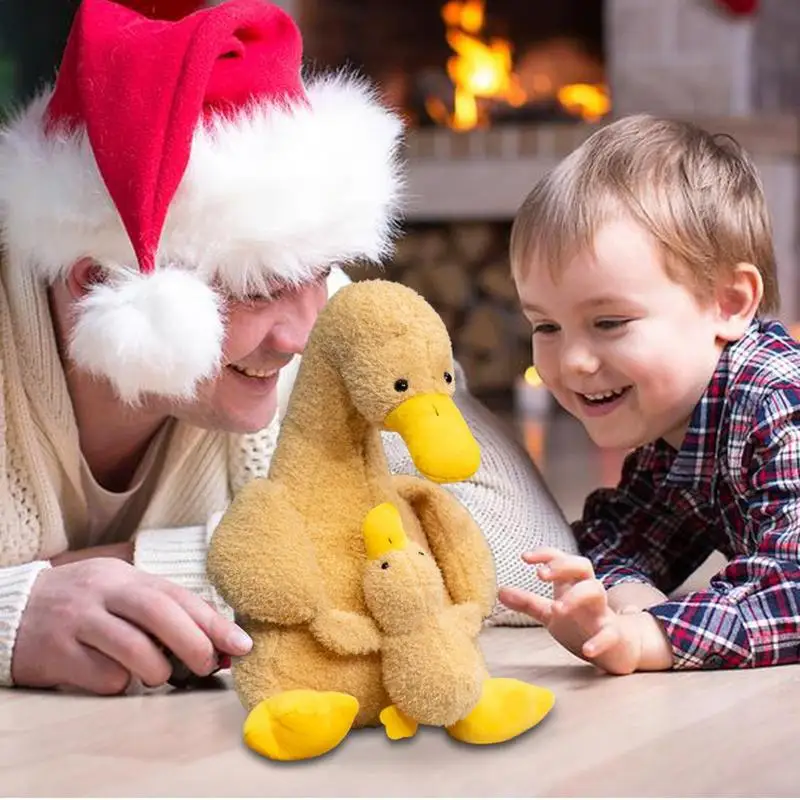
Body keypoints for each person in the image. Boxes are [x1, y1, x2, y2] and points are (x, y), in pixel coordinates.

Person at [0, 0, 575, 695]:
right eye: (259, 287)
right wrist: (13, 620)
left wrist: (145, 568)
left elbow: (523, 545)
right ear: (101, 281)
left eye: (318, 271)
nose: (302, 334)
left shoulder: (314, 312)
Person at [500, 114, 800, 674]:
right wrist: (622, 598)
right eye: (546, 327)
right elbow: (622, 533)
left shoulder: (778, 404)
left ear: (729, 304)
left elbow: (794, 584)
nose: (573, 361)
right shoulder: (677, 422)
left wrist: (649, 636)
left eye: (610, 322)